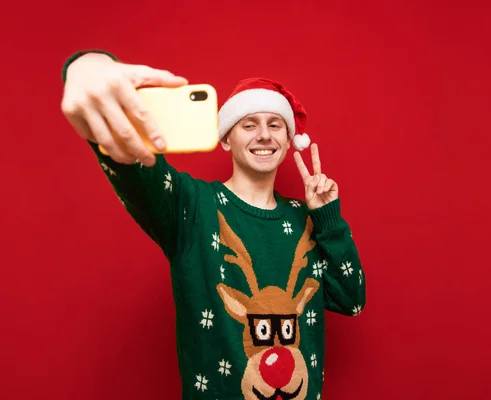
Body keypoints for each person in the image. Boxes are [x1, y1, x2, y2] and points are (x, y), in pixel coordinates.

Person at [61, 50, 366, 400]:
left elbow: (351, 299)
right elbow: (129, 162)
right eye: (249, 124)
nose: (264, 135)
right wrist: (87, 68)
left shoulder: (307, 218)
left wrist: (328, 216)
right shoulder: (191, 206)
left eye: (275, 124)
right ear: (225, 139)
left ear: (287, 141)